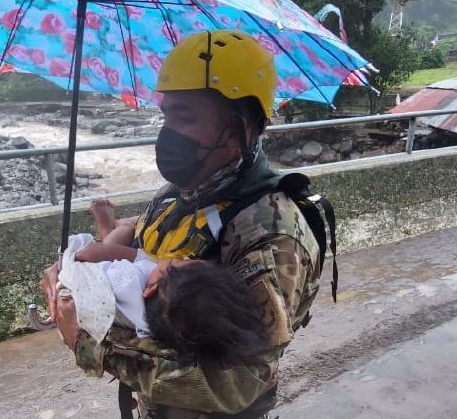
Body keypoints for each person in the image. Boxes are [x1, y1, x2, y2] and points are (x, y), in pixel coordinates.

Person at [42, 30, 323, 418]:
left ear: (237, 129)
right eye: (166, 115)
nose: (167, 132)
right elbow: (149, 244)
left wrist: (88, 340)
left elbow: (240, 382)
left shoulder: (270, 234)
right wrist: (79, 273)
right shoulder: (183, 192)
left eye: (184, 116)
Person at [72, 199, 271, 367]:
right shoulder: (166, 326)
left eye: (177, 263)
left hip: (88, 273)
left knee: (119, 244)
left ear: (150, 289)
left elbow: (88, 255)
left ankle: (117, 226)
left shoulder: (130, 281)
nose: (177, 259)